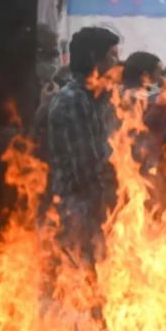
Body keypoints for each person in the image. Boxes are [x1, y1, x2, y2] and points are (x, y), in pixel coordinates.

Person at [46, 26, 120, 255]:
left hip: (93, 212)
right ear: (93, 59)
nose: (117, 64)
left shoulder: (98, 98)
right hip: (76, 215)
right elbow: (86, 171)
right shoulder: (73, 100)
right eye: (112, 56)